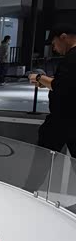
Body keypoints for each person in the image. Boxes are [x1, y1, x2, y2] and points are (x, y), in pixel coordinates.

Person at [24, 22, 76, 192]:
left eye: (54, 43)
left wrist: (39, 78)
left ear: (63, 37)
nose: (54, 48)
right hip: (69, 119)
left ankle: (28, 192)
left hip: (63, 119)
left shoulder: (72, 58)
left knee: (42, 159)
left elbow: (61, 86)